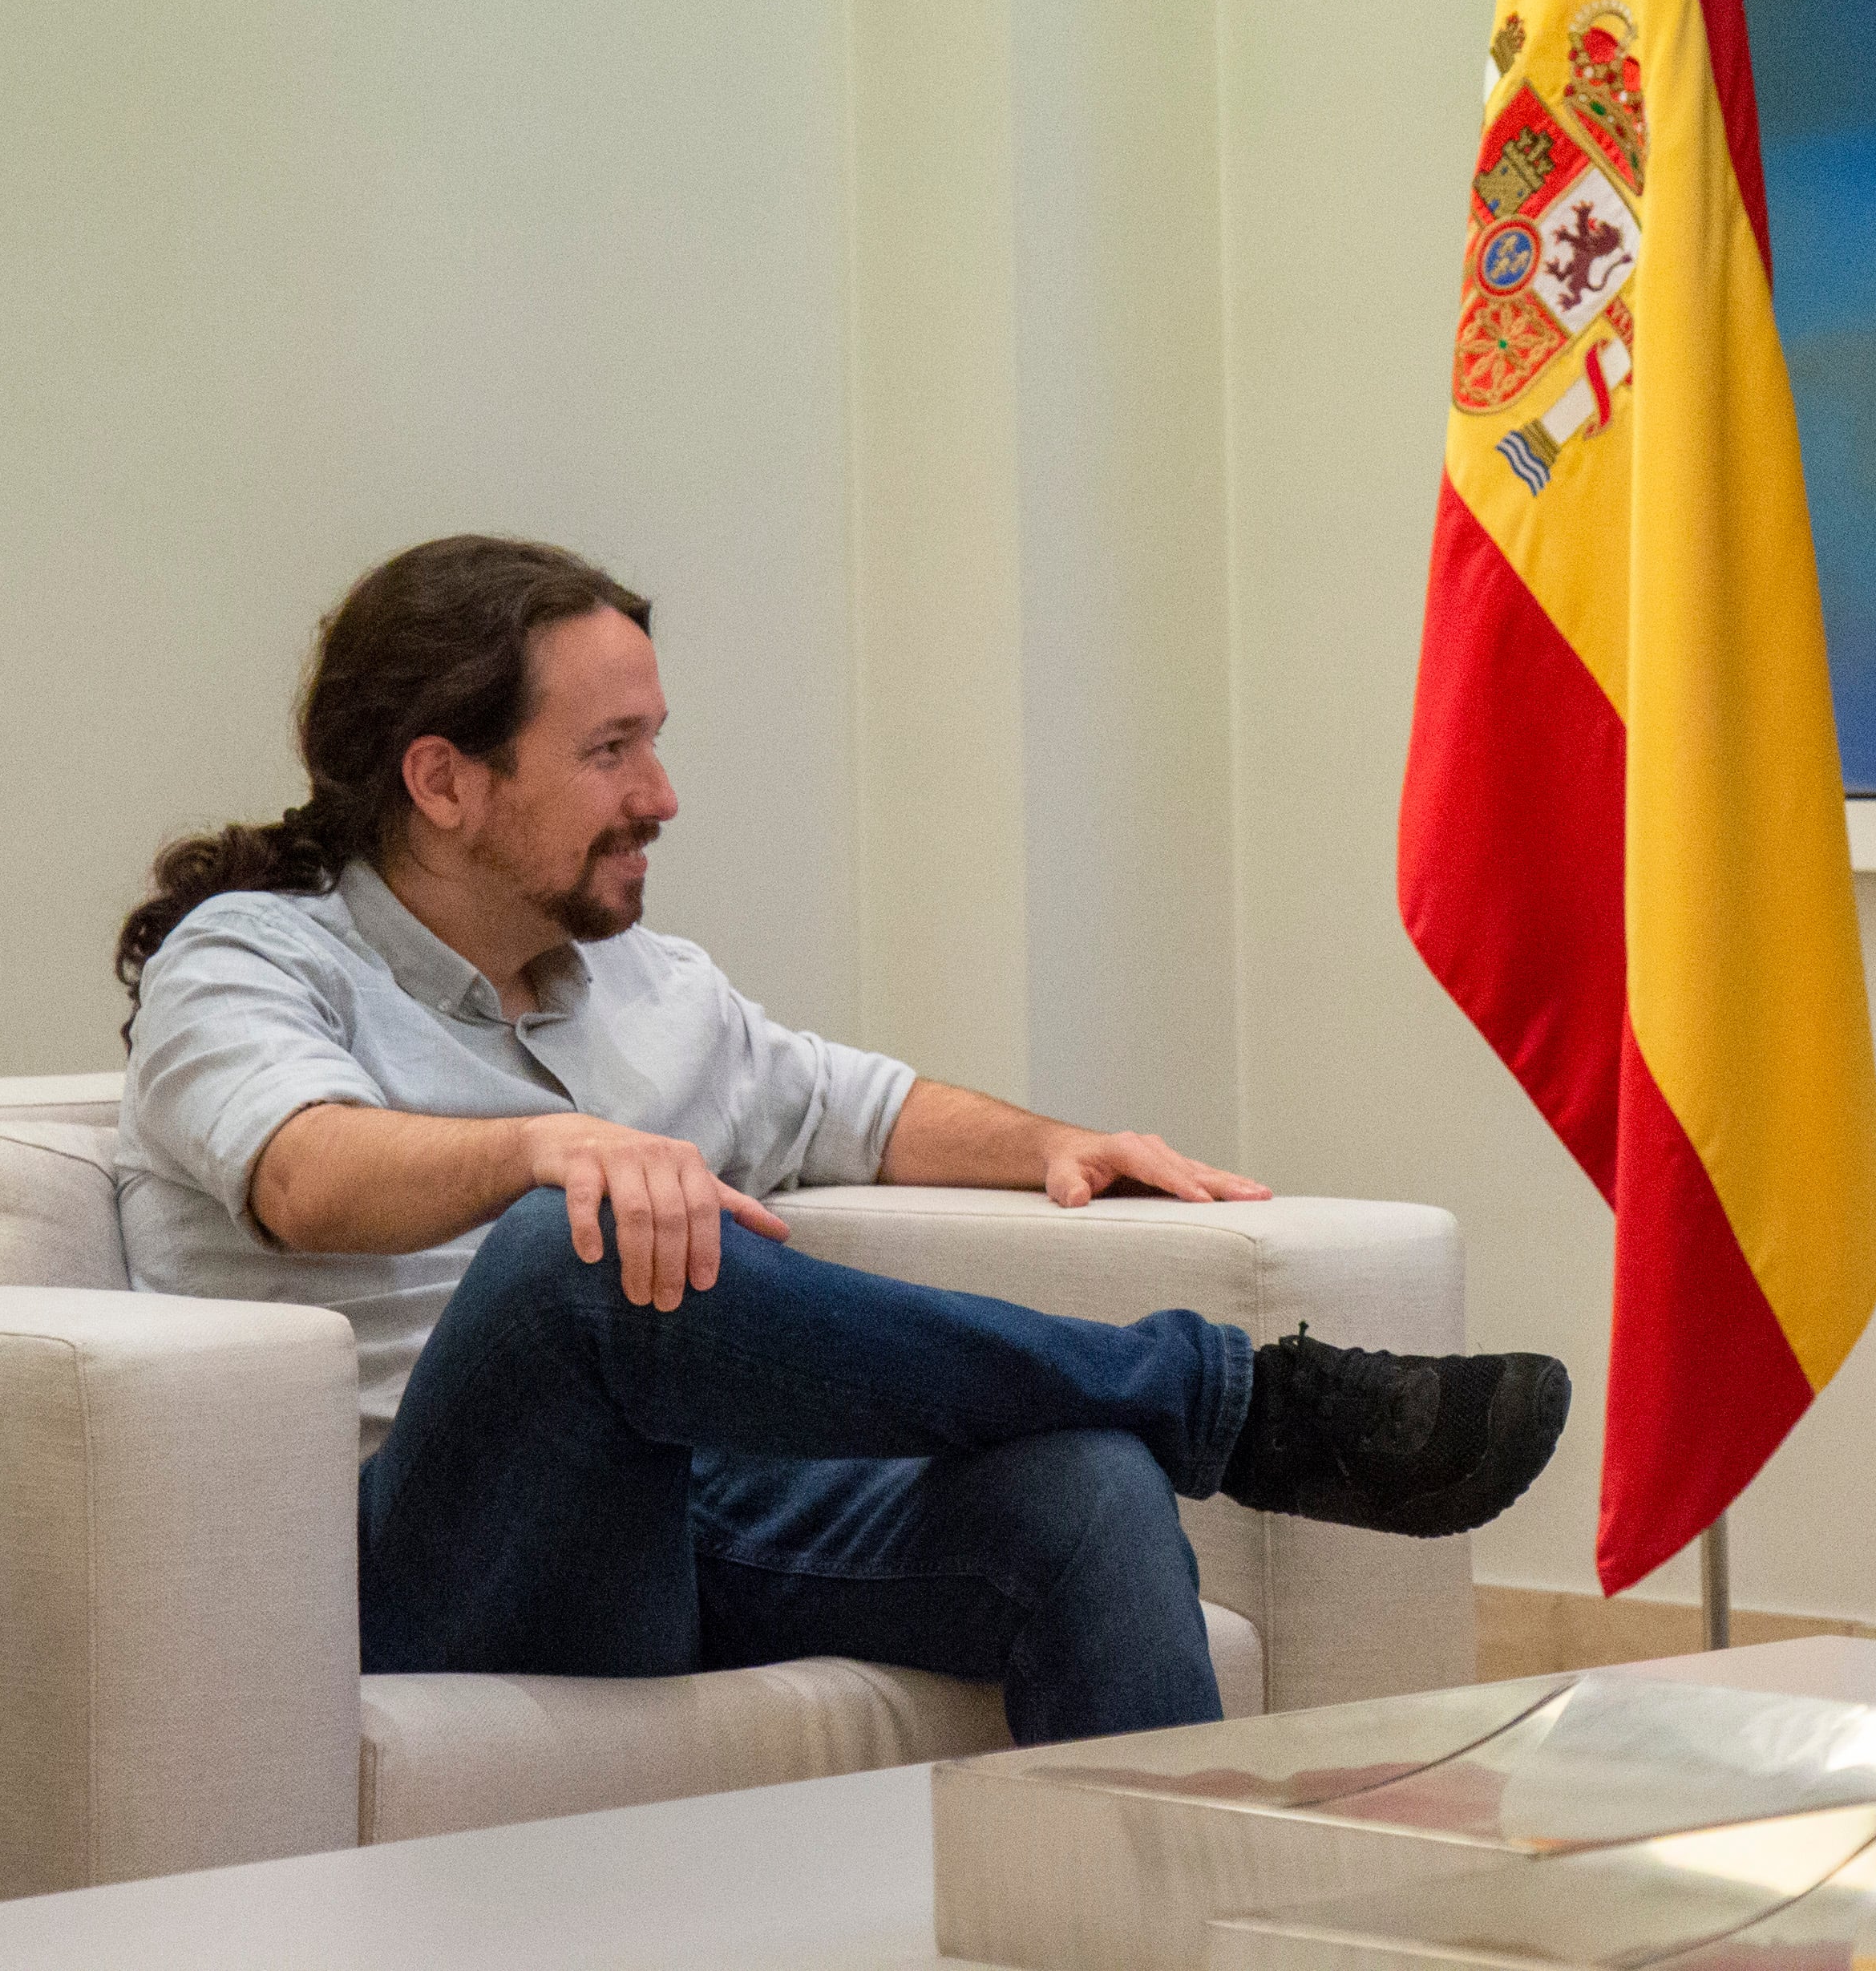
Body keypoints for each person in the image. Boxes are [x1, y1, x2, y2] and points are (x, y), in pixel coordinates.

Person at [114, 535, 1568, 1743]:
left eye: (656, 743)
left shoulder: (646, 982)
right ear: (443, 781)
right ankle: (1223, 1397)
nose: (660, 798)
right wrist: (543, 1150)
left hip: (684, 1518)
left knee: (1085, 1488)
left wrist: (1058, 1142)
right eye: (609, 752)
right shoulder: (248, 960)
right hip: (431, 1559)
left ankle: (1159, 1923)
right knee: (579, 1251)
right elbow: (299, 1173)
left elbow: (852, 1109)